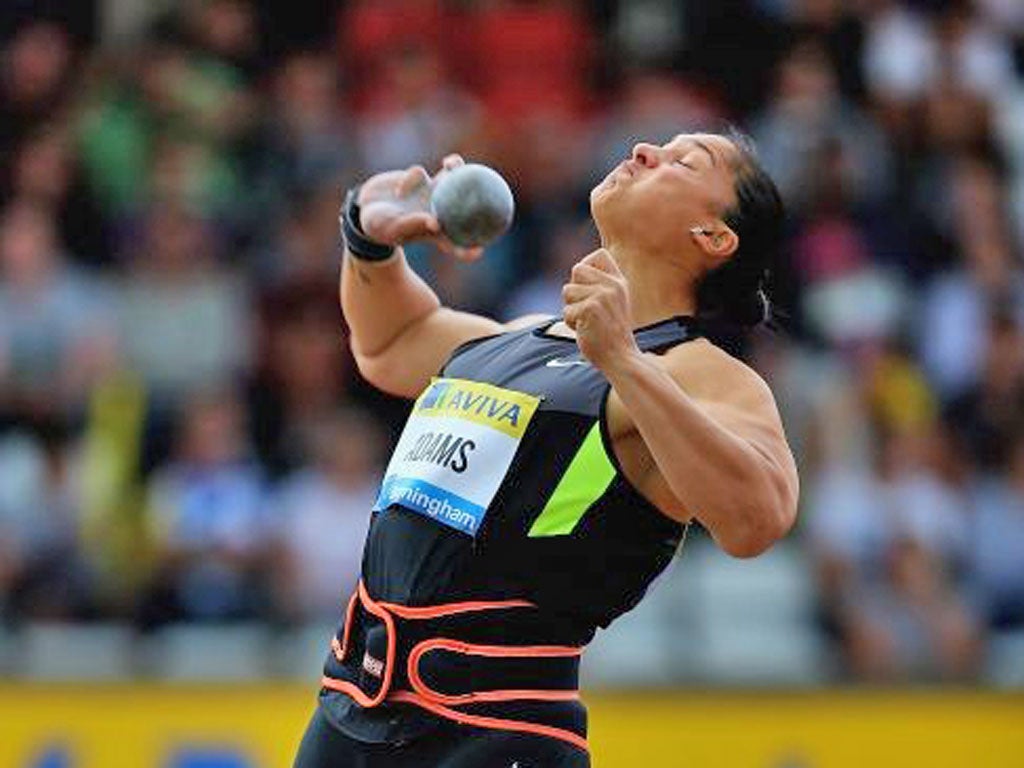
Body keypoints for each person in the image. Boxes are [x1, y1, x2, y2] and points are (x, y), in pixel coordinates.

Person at [292, 131, 800, 767]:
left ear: (713, 236)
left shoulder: (697, 370)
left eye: (683, 161)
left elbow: (758, 518)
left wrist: (624, 361)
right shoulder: (522, 338)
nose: (645, 149)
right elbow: (391, 343)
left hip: (495, 733)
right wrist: (368, 237)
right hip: (351, 713)